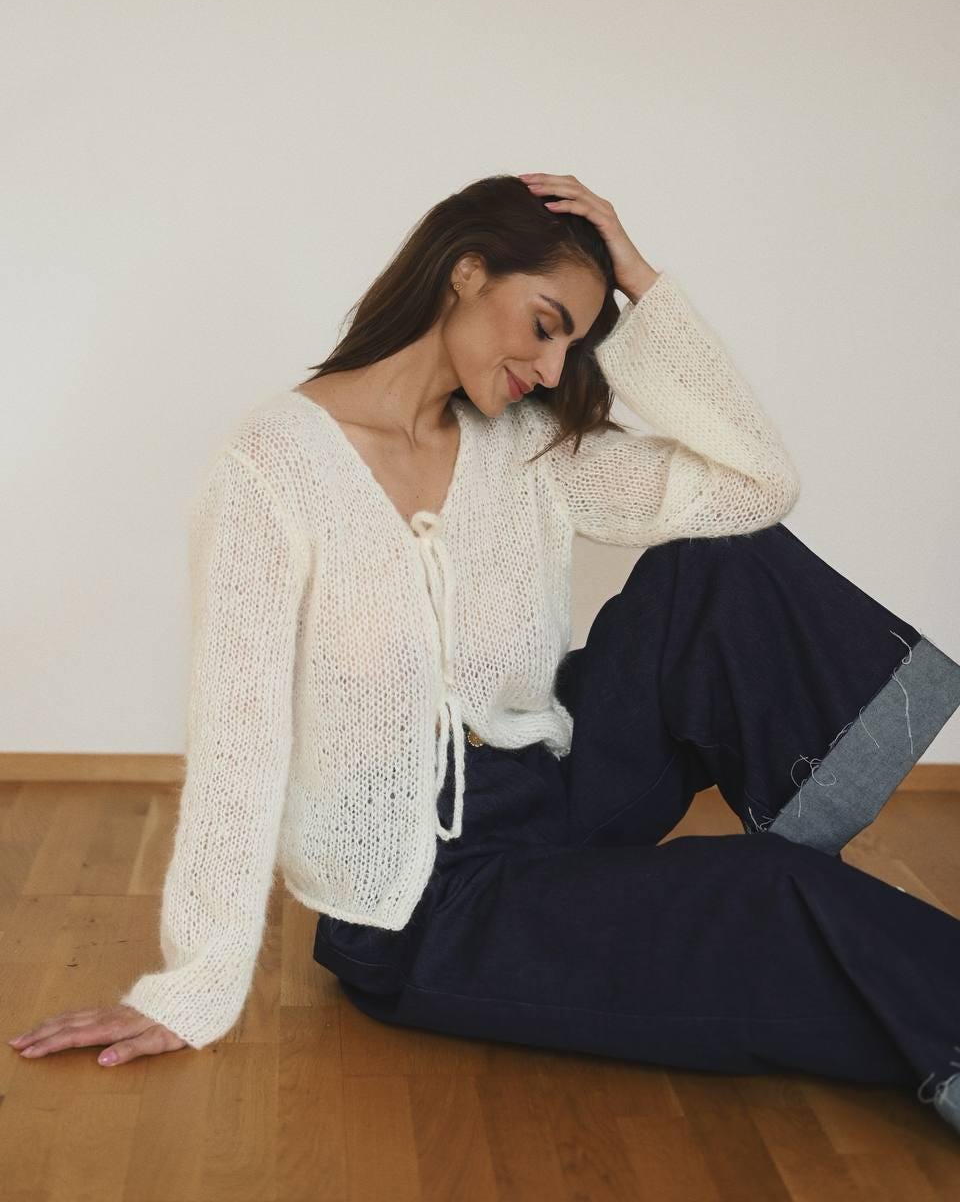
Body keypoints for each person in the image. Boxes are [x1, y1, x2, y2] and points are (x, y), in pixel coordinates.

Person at [9, 173, 960, 1138]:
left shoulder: (524, 448)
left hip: (550, 791)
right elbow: (239, 742)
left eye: (573, 345)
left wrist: (640, 283)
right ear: (466, 270)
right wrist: (196, 982)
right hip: (431, 895)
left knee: (713, 569)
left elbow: (757, 487)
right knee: (770, 891)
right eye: (545, 326)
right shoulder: (274, 467)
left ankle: (782, 838)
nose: (551, 370)